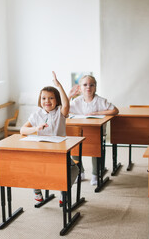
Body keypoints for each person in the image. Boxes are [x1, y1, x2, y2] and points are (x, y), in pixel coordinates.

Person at [20, 71, 78, 205]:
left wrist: (59, 85)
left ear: (57, 100)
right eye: (44, 98)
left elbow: (66, 105)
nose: (47, 101)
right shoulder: (36, 115)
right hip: (42, 151)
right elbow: (23, 130)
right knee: (34, 168)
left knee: (74, 169)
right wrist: (36, 129)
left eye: (51, 98)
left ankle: (64, 191)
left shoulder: (60, 112)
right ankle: (37, 191)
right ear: (40, 101)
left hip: (60, 152)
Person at [69, 75, 118, 185]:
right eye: (85, 85)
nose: (88, 87)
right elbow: (64, 110)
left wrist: (97, 113)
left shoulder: (101, 101)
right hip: (79, 134)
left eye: (92, 85)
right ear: (80, 88)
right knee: (75, 149)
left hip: (96, 135)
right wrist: (69, 96)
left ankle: (95, 174)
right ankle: (79, 172)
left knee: (94, 149)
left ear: (95, 87)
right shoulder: (76, 101)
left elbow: (115, 110)